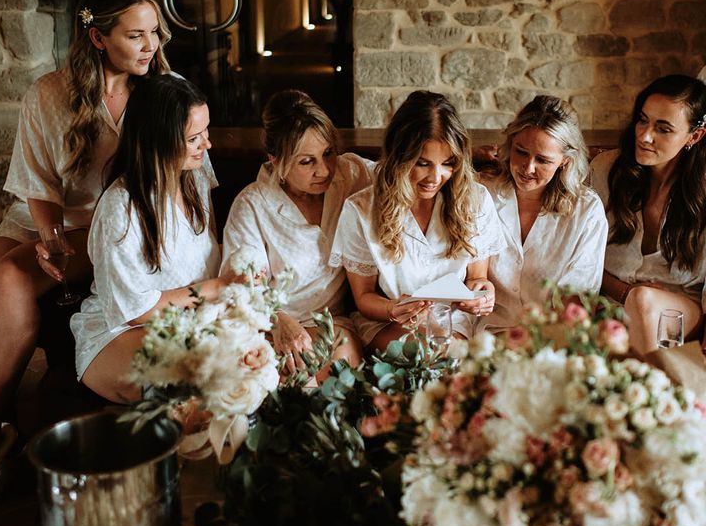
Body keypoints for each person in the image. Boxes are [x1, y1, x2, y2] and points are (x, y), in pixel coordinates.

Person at [0, 0, 171, 505]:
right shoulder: (48, 93)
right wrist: (48, 236)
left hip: (112, 223)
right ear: (97, 38)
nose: (151, 47)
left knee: (11, 278)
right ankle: (0, 435)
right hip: (38, 214)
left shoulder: (158, 93)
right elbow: (36, 183)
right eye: (136, 36)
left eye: (154, 33)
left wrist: (65, 245)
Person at [71, 75, 231, 403]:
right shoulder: (121, 208)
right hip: (122, 329)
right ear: (159, 139)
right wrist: (214, 289)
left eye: (206, 131)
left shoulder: (195, 178)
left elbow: (209, 250)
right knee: (201, 382)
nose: (207, 145)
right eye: (193, 138)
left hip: (189, 317)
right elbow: (135, 310)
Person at [330, 91, 501, 352]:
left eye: (448, 163)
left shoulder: (475, 200)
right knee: (422, 352)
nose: (436, 176)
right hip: (389, 322)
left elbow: (478, 279)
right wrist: (394, 309)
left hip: (453, 323)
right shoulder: (361, 210)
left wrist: (482, 296)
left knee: (444, 355)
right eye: (422, 163)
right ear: (400, 156)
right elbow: (364, 297)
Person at [221, 90, 369, 376]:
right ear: (276, 160)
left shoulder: (351, 175)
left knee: (341, 370)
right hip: (269, 325)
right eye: (306, 161)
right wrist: (278, 320)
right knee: (290, 380)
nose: (324, 170)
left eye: (328, 153)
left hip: (331, 321)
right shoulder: (252, 205)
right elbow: (242, 287)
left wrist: (471, 166)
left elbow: (401, 174)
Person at [590, 74, 706, 354]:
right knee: (636, 302)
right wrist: (623, 292)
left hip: (679, 310)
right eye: (643, 120)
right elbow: (582, 256)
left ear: (695, 135)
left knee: (643, 302)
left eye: (663, 129)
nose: (644, 136)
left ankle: (654, 392)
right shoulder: (606, 170)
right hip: (612, 302)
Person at [479, 95, 608, 333]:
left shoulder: (586, 211)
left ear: (565, 162)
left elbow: (578, 299)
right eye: (520, 152)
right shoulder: (483, 194)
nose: (528, 168)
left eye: (543, 160)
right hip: (488, 333)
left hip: (550, 338)